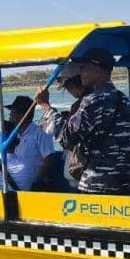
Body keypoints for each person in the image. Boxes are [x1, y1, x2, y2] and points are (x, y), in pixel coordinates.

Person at [37, 47, 130, 195]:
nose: (81, 72)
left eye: (84, 68)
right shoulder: (125, 100)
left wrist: (46, 107)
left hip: (97, 184)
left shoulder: (92, 101)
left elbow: (66, 138)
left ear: (97, 71)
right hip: (125, 183)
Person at [35, 62, 92, 190]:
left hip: (86, 177)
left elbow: (68, 139)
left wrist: (45, 106)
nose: (68, 91)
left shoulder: (83, 105)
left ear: (73, 83)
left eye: (66, 87)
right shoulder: (96, 100)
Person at [4, 95, 56, 189]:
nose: (10, 114)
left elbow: (49, 160)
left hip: (34, 183)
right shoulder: (12, 134)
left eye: (13, 111)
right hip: (14, 180)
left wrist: (37, 181)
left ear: (24, 114)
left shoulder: (40, 134)